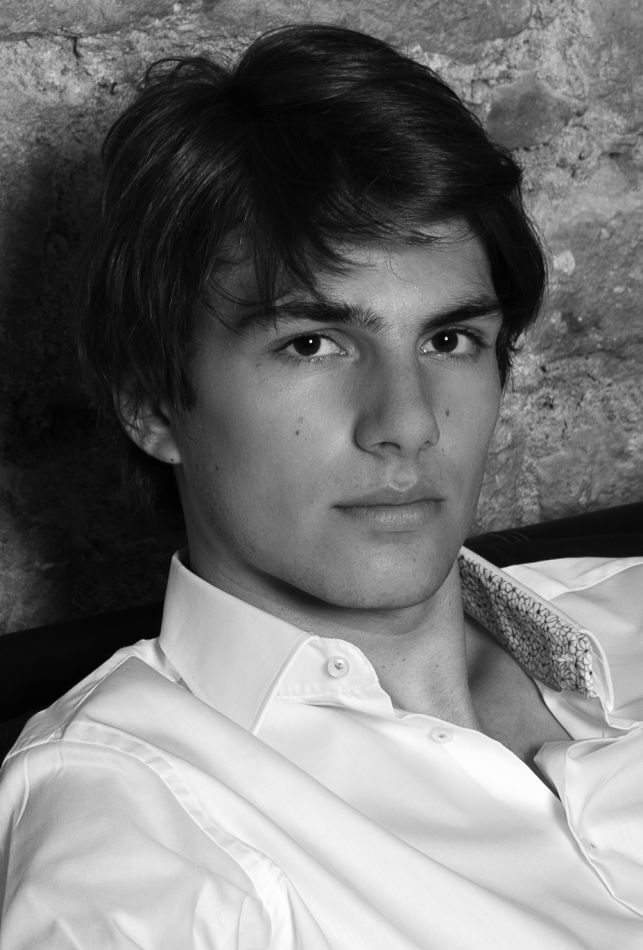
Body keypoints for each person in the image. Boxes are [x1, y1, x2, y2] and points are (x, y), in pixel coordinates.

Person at [0, 23, 642, 949]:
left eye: (448, 339)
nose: (407, 422)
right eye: (311, 343)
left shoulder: (624, 605)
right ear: (150, 403)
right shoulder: (132, 818)